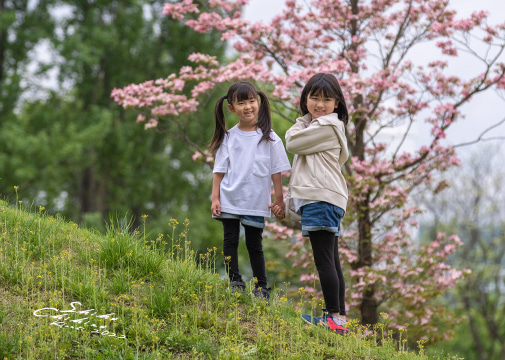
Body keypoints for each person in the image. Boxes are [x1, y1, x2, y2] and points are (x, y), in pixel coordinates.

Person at [272, 73, 350, 334]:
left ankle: (333, 319)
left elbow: (292, 141)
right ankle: (340, 319)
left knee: (324, 259)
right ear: (305, 98)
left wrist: (303, 119)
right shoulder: (328, 126)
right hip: (328, 197)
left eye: (326, 99)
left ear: (337, 103)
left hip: (321, 197)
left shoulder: (325, 127)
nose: (319, 104)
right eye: (314, 98)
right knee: (332, 259)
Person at [210, 81, 291, 302]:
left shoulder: (270, 138)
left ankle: (261, 287)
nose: (248, 106)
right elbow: (219, 170)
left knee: (255, 243)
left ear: (259, 102)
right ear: (231, 107)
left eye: (252, 101)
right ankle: (234, 281)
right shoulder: (228, 137)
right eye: (241, 102)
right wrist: (215, 197)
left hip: (256, 200)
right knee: (230, 240)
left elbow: (276, 171)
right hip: (230, 197)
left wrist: (279, 199)